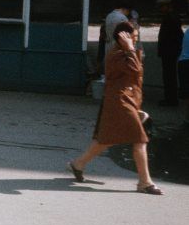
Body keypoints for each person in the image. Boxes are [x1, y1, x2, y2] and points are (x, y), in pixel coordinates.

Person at [68, 21, 163, 195]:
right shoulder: (117, 55)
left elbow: (135, 82)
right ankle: (144, 182)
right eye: (132, 38)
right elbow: (135, 71)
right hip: (120, 102)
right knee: (140, 139)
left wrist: (137, 106)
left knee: (107, 139)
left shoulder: (125, 53)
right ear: (122, 38)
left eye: (135, 38)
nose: (135, 41)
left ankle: (78, 164)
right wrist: (130, 49)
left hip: (126, 101)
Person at [156, 0, 184, 106]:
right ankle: (170, 97)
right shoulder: (171, 16)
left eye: (161, 7)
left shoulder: (170, 18)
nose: (160, 9)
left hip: (169, 50)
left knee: (169, 75)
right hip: (171, 49)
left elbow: (174, 35)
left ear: (167, 6)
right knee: (169, 74)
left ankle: (171, 99)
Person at [178, 30, 189, 124]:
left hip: (183, 61)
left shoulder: (187, 31)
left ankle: (186, 116)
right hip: (186, 61)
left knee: (186, 92)